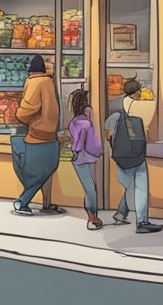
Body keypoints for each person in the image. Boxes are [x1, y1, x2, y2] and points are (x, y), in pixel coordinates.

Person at [107, 79, 163, 232]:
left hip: (121, 152)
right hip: (136, 151)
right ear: (137, 92)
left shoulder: (116, 105)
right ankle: (142, 222)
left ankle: (120, 214)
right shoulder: (144, 105)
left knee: (131, 186)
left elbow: (108, 130)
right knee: (140, 186)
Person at [12, 55, 60, 216]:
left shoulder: (34, 82)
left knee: (39, 173)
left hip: (37, 134)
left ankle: (23, 201)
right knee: (47, 170)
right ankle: (39, 202)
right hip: (50, 133)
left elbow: (28, 107)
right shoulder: (48, 82)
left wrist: (18, 115)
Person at [67, 88, 103, 230]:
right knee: (91, 189)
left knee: (89, 188)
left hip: (79, 159)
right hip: (87, 158)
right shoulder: (86, 123)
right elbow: (88, 144)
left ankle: (91, 215)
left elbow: (75, 142)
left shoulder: (73, 122)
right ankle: (92, 216)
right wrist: (99, 152)